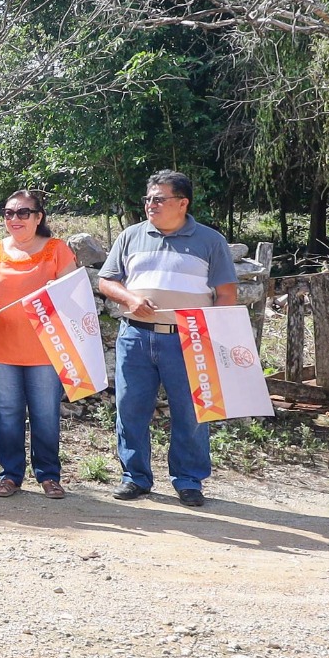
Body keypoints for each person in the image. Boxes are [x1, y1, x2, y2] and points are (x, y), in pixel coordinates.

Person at [97, 171, 238, 507]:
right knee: (130, 408)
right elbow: (106, 281)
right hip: (136, 336)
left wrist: (211, 338)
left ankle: (189, 481)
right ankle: (135, 478)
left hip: (189, 340)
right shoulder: (131, 236)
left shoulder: (210, 241)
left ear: (182, 202)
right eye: (148, 198)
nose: (151, 205)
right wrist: (130, 300)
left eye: (159, 199)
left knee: (190, 413)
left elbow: (226, 294)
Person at [0, 190, 77, 499]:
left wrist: (54, 292)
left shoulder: (57, 250)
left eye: (22, 213)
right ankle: (10, 475)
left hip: (46, 348)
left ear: (38, 217)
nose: (14, 219)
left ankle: (48, 475)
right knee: (7, 412)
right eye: (8, 213)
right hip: (3, 346)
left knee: (45, 413)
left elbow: (71, 294)